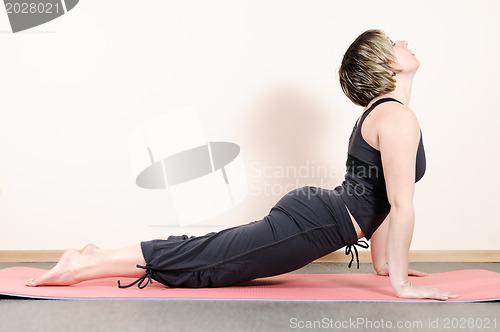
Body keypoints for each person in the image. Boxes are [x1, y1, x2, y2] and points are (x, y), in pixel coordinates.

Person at [26, 29, 458, 301]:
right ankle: (81, 266)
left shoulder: (387, 115)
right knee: (211, 260)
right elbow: (400, 205)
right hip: (315, 222)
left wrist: (386, 267)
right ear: (383, 64)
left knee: (217, 249)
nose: (403, 43)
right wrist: (402, 285)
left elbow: (379, 198)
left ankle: (99, 256)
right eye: (392, 44)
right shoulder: (397, 117)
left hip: (318, 216)